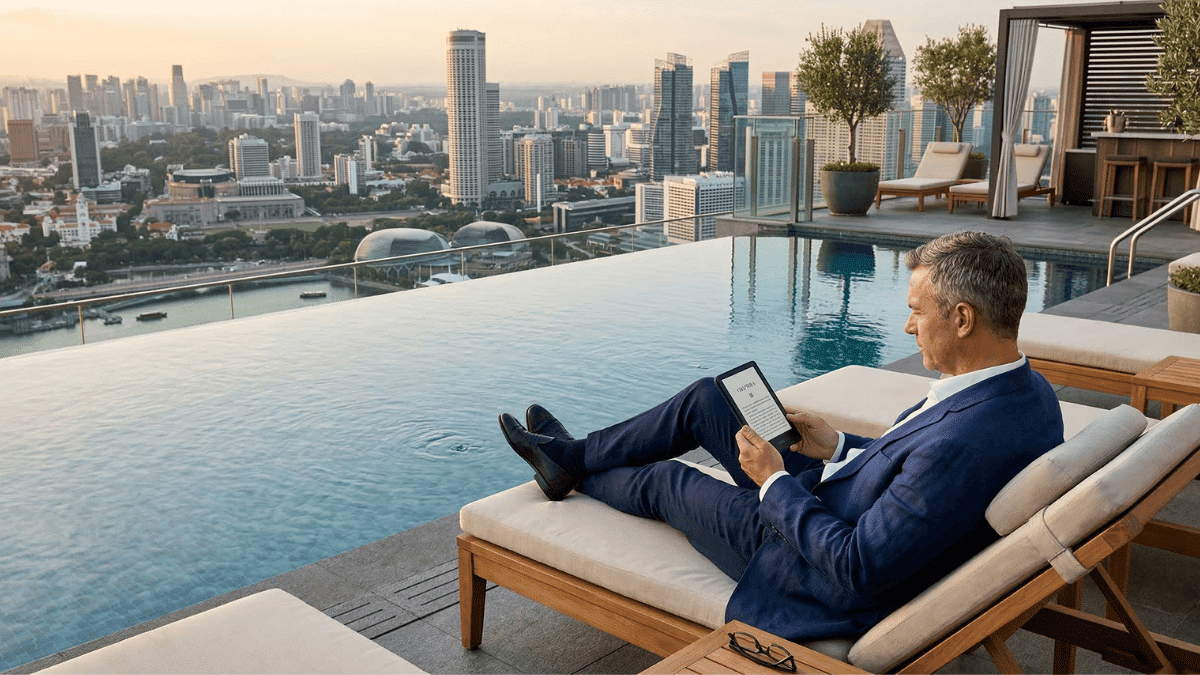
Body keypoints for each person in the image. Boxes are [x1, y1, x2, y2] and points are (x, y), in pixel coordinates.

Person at [498, 230, 1065, 642]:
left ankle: (567, 471)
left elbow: (858, 567)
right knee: (707, 399)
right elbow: (917, 479)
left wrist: (772, 482)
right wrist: (839, 445)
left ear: (963, 319)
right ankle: (571, 456)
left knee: (667, 480)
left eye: (917, 311)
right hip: (833, 496)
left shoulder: (963, 443)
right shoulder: (1025, 392)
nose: (907, 326)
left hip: (800, 553)